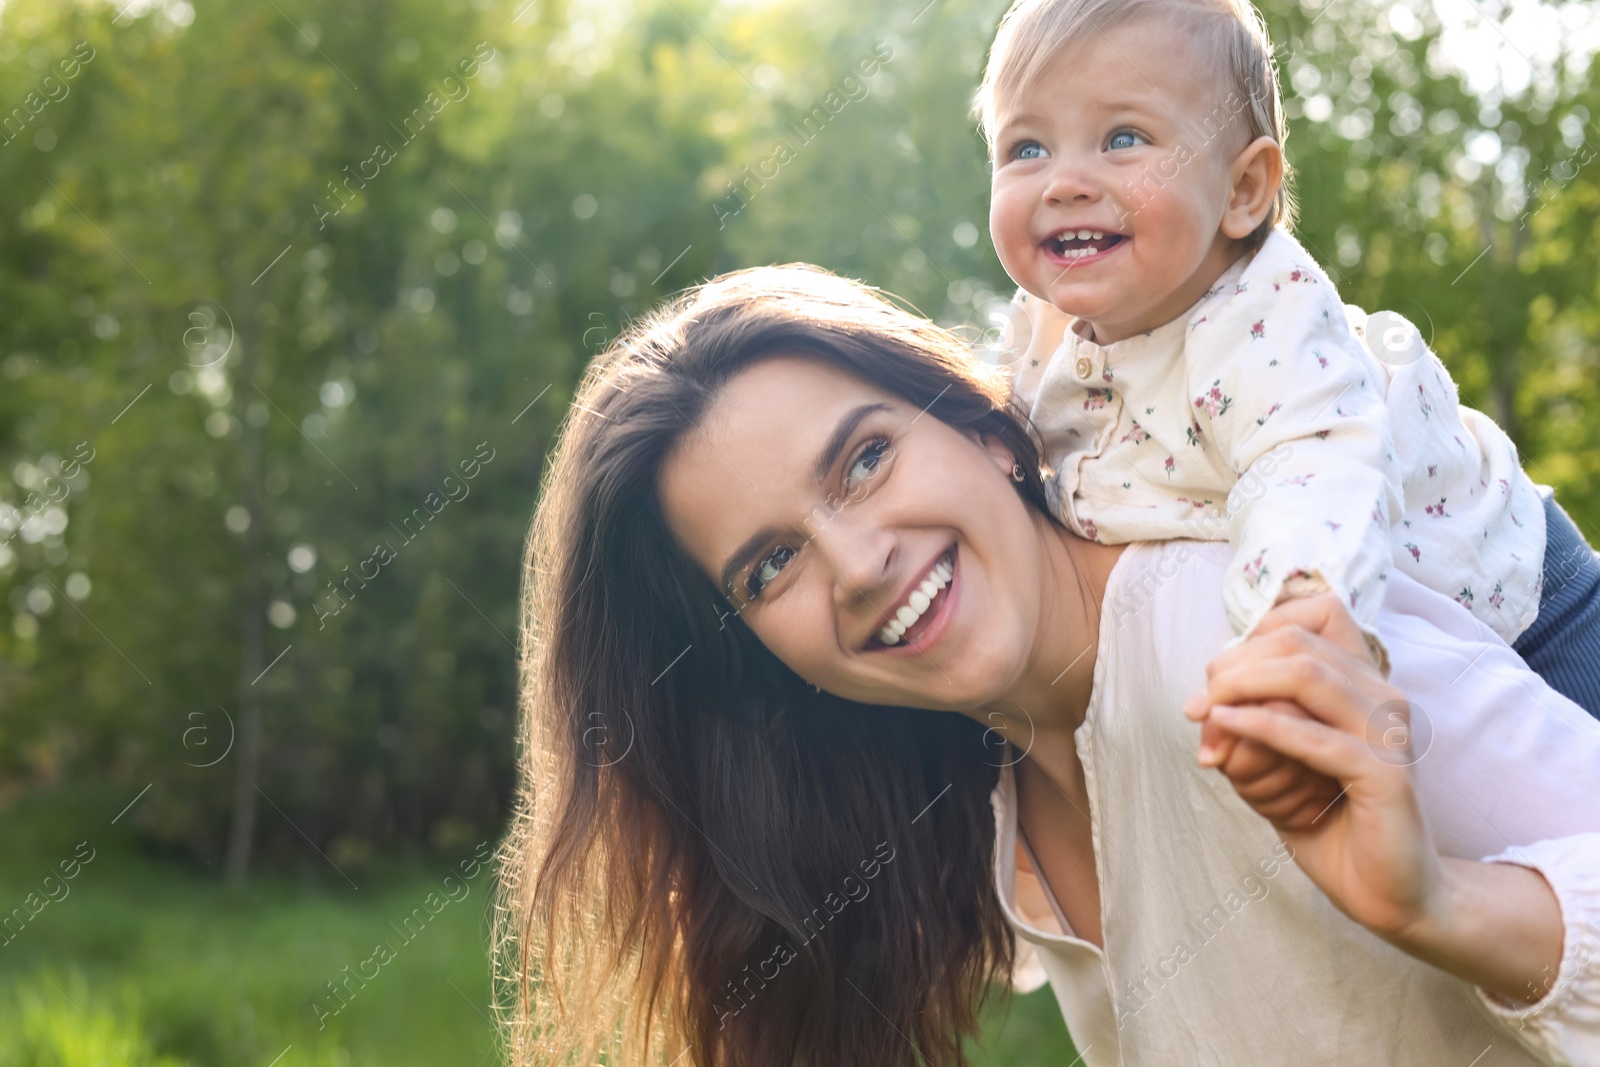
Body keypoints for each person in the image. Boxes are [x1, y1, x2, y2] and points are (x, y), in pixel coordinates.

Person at [492, 264, 1600, 1067]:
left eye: (865, 459)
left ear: (981, 429)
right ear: (756, 657)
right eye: (772, 563)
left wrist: (1442, 905)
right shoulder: (999, 820)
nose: (859, 561)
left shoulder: (1232, 633)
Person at [976, 0, 1600, 720]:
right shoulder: (1040, 333)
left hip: (1528, 604)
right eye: (1027, 148)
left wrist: (1295, 621)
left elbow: (1316, 476)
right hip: (1423, 648)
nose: (1064, 182)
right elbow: (1002, 432)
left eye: (1122, 138)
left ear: (1242, 191)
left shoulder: (1267, 321)